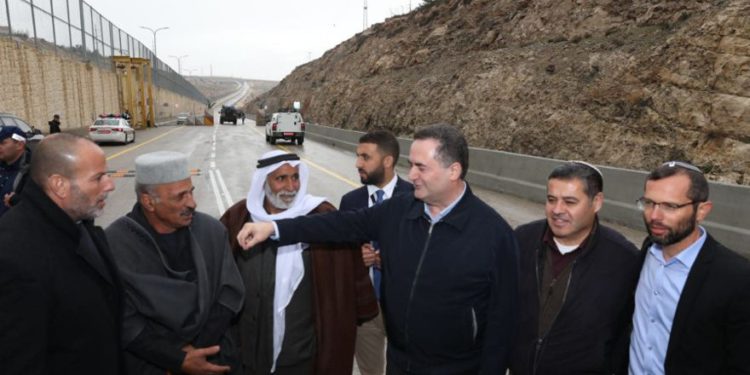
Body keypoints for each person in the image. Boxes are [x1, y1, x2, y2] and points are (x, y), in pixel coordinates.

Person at [236, 123, 520, 374]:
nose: (412, 175)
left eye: (421, 167)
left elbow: (503, 325)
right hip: (399, 363)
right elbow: (338, 225)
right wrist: (274, 229)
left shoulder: (494, 236)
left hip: (457, 368)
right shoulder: (399, 210)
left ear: (453, 170)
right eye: (412, 165)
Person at [220, 150, 377, 375]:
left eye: (295, 177)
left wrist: (363, 303)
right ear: (263, 182)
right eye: (281, 178)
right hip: (248, 352)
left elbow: (349, 268)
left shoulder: (319, 214)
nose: (291, 187)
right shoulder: (238, 218)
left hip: (301, 354)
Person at [105, 151, 245, 375]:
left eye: (191, 192)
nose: (192, 203)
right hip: (150, 363)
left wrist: (195, 355)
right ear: (149, 202)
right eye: (180, 197)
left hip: (213, 357)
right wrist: (174, 358)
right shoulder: (117, 243)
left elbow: (229, 294)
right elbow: (123, 319)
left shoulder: (211, 231)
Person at [0, 133, 122, 374]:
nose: (110, 185)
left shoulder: (78, 222)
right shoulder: (15, 254)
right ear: (59, 185)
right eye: (98, 178)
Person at [509, 161, 639, 374]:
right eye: (551, 200)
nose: (557, 210)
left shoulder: (623, 259)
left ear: (596, 202)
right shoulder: (521, 240)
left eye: (570, 202)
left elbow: (625, 334)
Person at [629, 161, 750, 374]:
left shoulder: (737, 278)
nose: (654, 215)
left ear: (702, 211)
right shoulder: (647, 250)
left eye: (670, 206)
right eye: (649, 203)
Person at [339, 130, 413, 375]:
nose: (358, 163)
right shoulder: (350, 202)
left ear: (387, 161)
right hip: (365, 307)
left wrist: (388, 259)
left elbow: (428, 255)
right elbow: (339, 254)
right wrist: (355, 258)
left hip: (405, 309)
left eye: (365, 157)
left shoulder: (415, 199)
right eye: (358, 156)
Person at [0, 126, 32, 217]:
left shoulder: (33, 171)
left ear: (20, 145)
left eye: (3, 143)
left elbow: (41, 205)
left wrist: (17, 200)